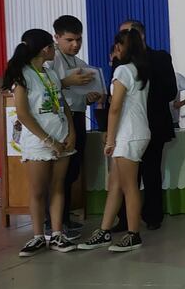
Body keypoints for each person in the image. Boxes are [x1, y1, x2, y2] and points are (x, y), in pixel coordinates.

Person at [2, 29, 77, 256]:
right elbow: (24, 114)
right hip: (39, 142)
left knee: (58, 187)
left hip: (62, 139)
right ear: (45, 49)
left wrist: (71, 132)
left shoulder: (50, 73)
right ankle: (37, 236)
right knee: (38, 191)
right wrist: (49, 141)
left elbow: (62, 105)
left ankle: (56, 234)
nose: (54, 50)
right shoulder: (23, 75)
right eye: (52, 47)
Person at [78, 28, 151, 252]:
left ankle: (133, 234)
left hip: (127, 135)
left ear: (121, 47)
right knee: (116, 185)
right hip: (133, 132)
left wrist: (109, 139)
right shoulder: (139, 70)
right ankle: (104, 230)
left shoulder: (122, 70)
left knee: (129, 187)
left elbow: (115, 108)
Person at [112, 20, 177, 232]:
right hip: (126, 128)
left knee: (151, 172)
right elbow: (114, 99)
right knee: (125, 177)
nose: (122, 41)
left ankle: (152, 216)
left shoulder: (159, 57)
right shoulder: (120, 63)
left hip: (154, 123)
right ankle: (124, 220)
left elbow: (170, 91)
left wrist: (141, 100)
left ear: (140, 36)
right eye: (121, 36)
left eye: (128, 35)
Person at [44, 15, 101, 240]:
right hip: (59, 121)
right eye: (69, 40)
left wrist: (90, 96)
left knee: (72, 171)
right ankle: (52, 223)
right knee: (60, 173)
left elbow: (80, 94)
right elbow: (44, 89)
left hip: (77, 117)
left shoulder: (79, 63)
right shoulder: (50, 61)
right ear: (56, 38)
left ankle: (64, 219)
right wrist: (67, 82)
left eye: (78, 39)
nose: (75, 44)